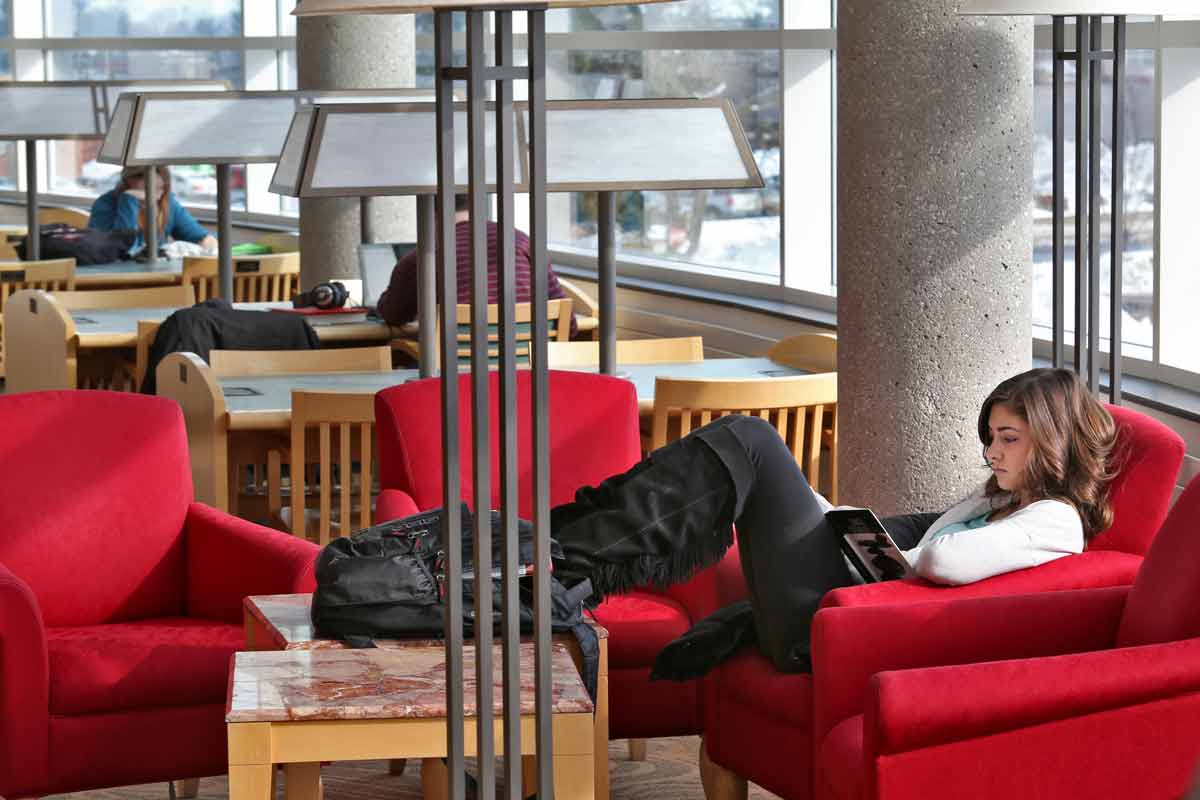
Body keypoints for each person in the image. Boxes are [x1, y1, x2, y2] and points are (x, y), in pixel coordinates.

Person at [546, 367, 1118, 678]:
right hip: (838, 610)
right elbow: (904, 535)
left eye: (1009, 440)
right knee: (747, 456)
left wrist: (897, 561)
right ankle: (563, 546)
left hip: (841, 632)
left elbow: (943, 560)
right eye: (991, 438)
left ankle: (557, 550)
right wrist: (828, 514)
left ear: (1054, 442)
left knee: (750, 440)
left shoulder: (1056, 521)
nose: (993, 454)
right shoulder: (997, 503)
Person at [376, 193, 576, 337]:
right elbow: (570, 324)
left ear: (431, 214)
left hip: (456, 380)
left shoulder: (423, 258)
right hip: (529, 377)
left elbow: (393, 314)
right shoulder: (524, 243)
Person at [88, 165, 217, 257]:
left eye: (161, 188)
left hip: (157, 279)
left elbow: (202, 238)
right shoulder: (105, 205)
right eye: (150, 188)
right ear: (130, 180)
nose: (158, 196)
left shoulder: (167, 203)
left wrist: (207, 242)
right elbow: (117, 249)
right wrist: (128, 200)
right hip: (114, 280)